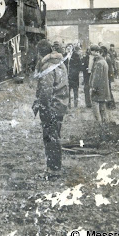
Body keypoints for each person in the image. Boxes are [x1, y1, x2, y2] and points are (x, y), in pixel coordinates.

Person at [33, 40, 68, 178]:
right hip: (60, 105)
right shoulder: (60, 63)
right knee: (55, 136)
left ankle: (53, 170)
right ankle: (55, 167)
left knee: (50, 138)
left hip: (51, 107)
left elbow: (46, 92)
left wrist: (43, 109)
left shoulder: (48, 66)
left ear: (40, 53)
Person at [89, 44, 111, 124]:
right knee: (103, 108)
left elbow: (96, 78)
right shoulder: (103, 61)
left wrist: (93, 88)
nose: (91, 53)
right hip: (103, 89)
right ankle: (105, 124)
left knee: (95, 107)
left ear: (96, 52)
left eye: (92, 51)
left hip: (98, 89)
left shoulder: (98, 63)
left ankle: (98, 125)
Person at [65, 44, 83, 108]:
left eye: (70, 47)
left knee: (75, 91)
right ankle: (68, 105)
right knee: (67, 92)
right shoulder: (65, 55)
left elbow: (80, 66)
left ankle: (75, 105)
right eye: (67, 47)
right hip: (67, 77)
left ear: (72, 48)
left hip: (74, 77)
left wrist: (75, 72)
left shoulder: (76, 55)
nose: (68, 48)